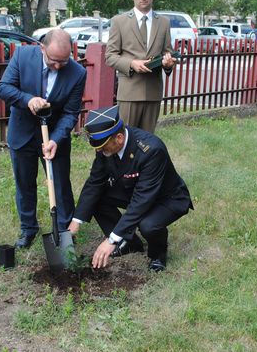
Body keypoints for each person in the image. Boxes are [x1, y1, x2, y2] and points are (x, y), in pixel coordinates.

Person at [68, 105, 193, 271]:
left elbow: (142, 200)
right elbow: (95, 182)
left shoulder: (151, 150)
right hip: (135, 191)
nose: (99, 150)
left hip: (167, 198)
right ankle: (129, 243)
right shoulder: (106, 145)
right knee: (97, 199)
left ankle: (158, 255)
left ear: (119, 138)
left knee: (148, 225)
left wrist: (110, 240)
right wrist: (77, 220)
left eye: (103, 147)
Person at [0, 29, 87, 249]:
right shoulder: (22, 57)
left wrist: (56, 139)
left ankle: (65, 231)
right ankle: (28, 228)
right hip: (23, 134)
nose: (58, 66)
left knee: (60, 185)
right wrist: (27, 99)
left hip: (54, 136)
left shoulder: (77, 73)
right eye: (54, 61)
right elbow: (4, 88)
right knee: (25, 183)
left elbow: (70, 112)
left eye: (63, 62)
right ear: (42, 49)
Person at [105, 0, 176, 133]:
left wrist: (168, 64)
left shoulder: (164, 23)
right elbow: (110, 56)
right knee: (126, 140)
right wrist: (131, 63)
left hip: (153, 92)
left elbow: (167, 53)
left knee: (147, 143)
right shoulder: (119, 21)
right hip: (129, 92)